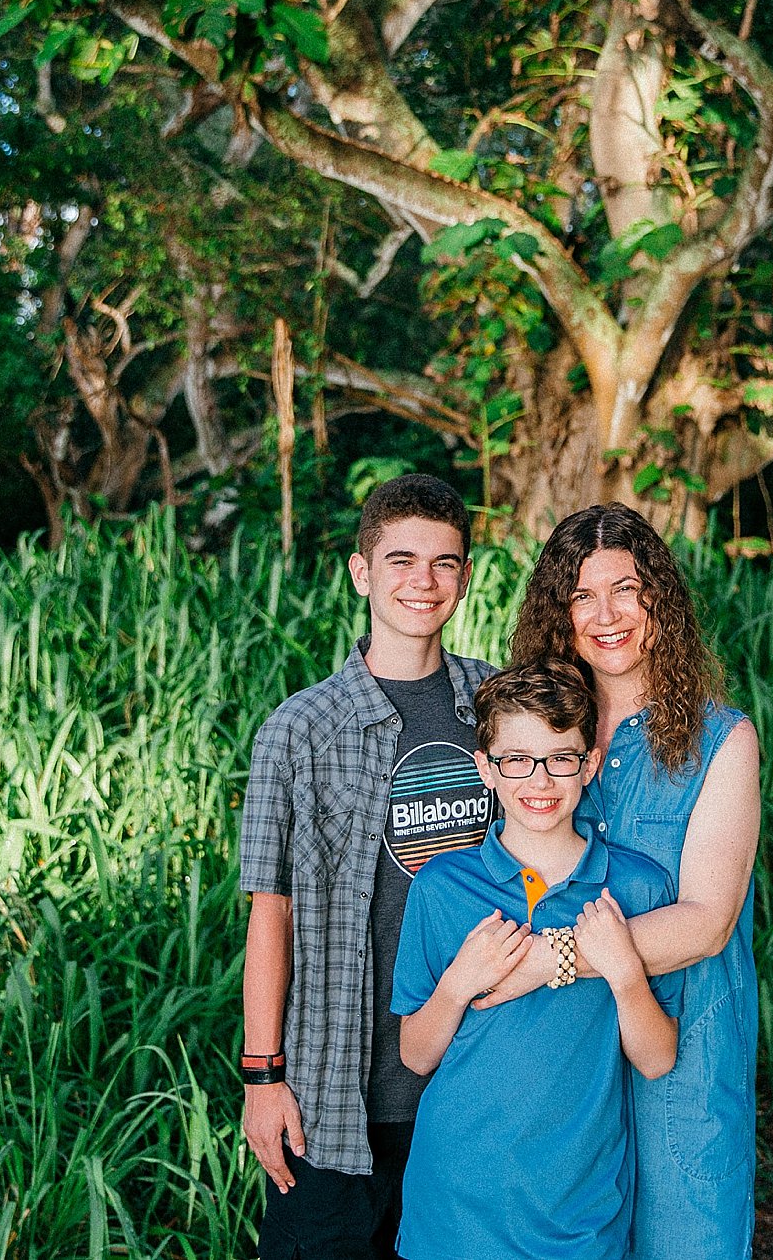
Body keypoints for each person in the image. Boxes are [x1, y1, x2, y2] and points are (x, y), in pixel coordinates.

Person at [486, 504, 763, 1260]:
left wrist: (544, 959)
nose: (605, 614)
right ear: (558, 613)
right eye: (581, 595)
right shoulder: (540, 737)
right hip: (563, 1064)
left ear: (658, 602)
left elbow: (706, 920)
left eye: (626, 589)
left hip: (684, 1063)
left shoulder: (721, 739)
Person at [238, 474, 497, 1260]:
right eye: (402, 559)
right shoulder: (299, 728)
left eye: (445, 563)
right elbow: (269, 912)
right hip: (334, 1090)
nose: (424, 581)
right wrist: (261, 1077)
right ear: (362, 572)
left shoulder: (494, 702)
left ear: (464, 576)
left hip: (471, 1085)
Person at [389, 662, 679, 1260]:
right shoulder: (443, 886)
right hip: (453, 1210)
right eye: (516, 759)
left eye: (560, 757)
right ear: (486, 768)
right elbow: (415, 1055)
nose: (539, 779)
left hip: (578, 1215)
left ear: (589, 765)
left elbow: (656, 1059)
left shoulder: (636, 887)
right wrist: (458, 983)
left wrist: (624, 970)